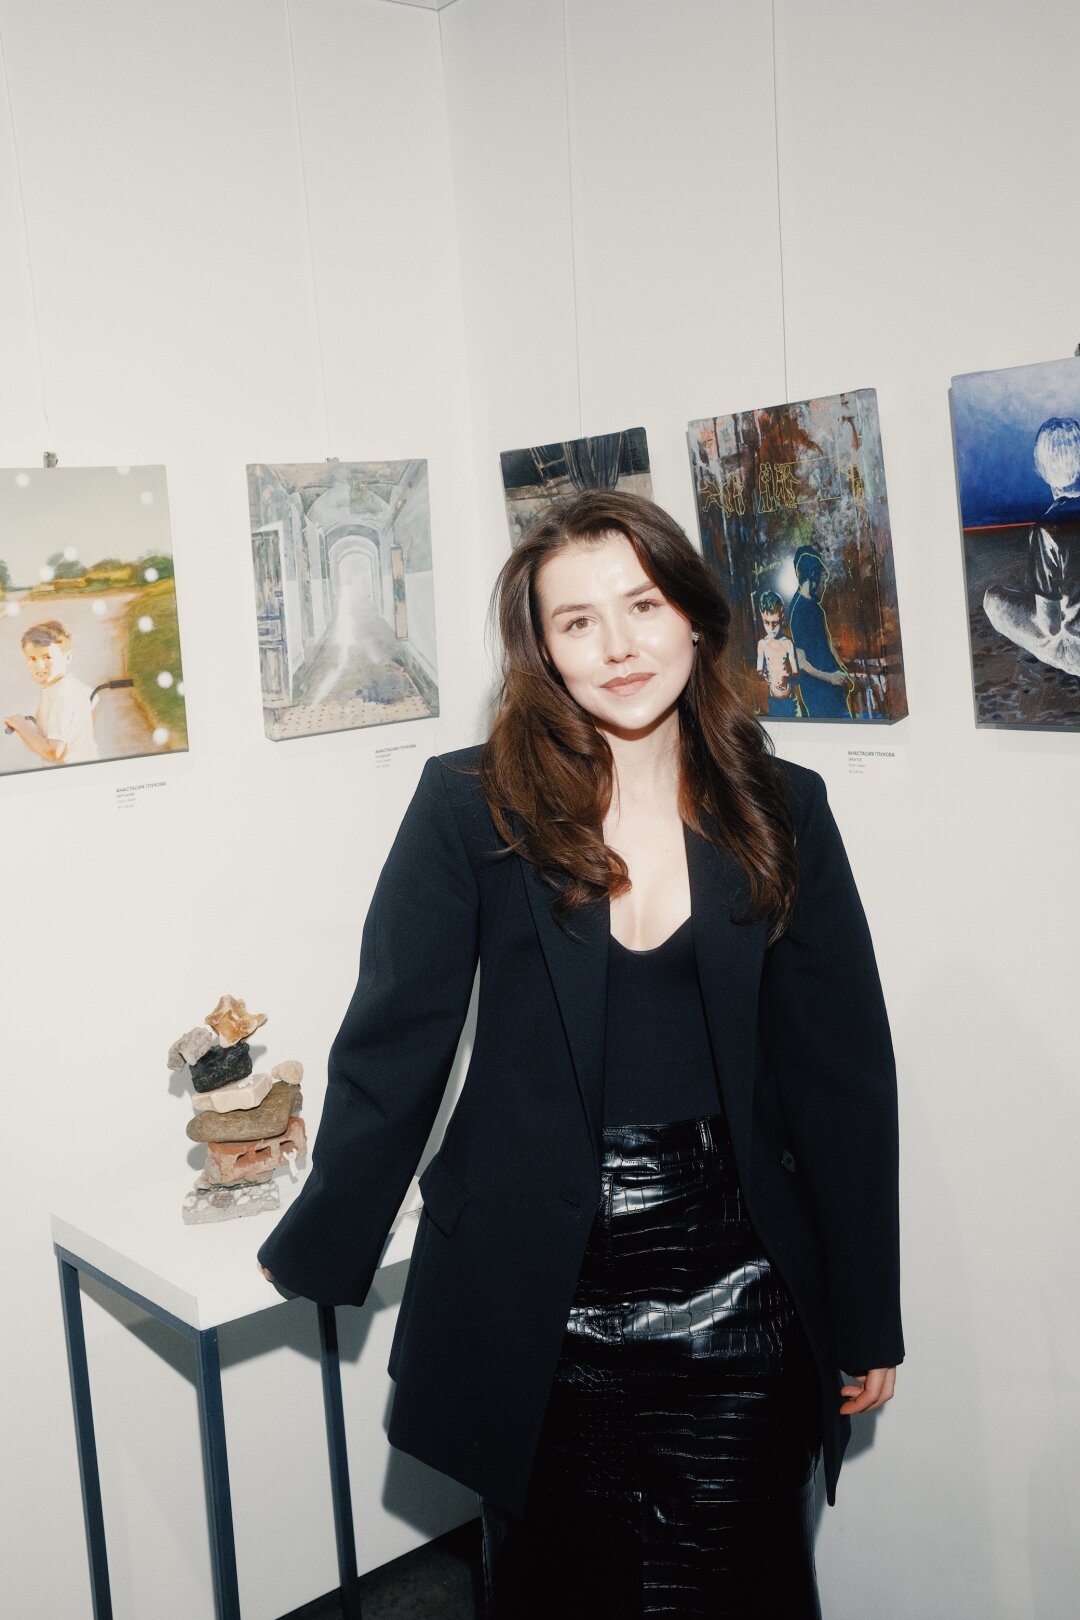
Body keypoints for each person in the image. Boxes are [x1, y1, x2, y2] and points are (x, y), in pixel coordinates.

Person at [258, 491, 902, 1617]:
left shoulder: (783, 806)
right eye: (577, 622)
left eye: (642, 605)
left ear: (692, 615)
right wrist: (324, 1237)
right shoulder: (470, 805)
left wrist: (865, 1309)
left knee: (746, 1586)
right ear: (543, 650)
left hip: (741, 1280)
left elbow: (840, 1072)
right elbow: (396, 1039)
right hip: (534, 1291)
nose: (618, 647)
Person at [983, 415, 1080, 676]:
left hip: (1076, 651)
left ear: (1042, 467)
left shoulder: (1048, 528)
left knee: (993, 600)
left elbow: (1049, 626)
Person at [4, 620, 98, 765]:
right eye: (32, 659)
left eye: (47, 657)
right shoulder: (72, 687)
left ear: (67, 657)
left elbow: (54, 753)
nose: (39, 666)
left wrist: (22, 727)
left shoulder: (61, 696)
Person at [787, 547, 855, 718]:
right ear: (813, 577)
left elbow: (827, 644)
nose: (824, 585)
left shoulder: (815, 608)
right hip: (819, 693)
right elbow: (801, 662)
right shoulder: (799, 611)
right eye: (823, 578)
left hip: (832, 687)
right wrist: (830, 677)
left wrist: (842, 672)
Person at [755, 587, 803, 716]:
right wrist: (762, 674)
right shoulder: (762, 644)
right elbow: (758, 672)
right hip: (774, 703)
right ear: (761, 618)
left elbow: (796, 675)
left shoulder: (788, 643)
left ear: (782, 617)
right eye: (766, 622)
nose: (771, 628)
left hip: (791, 703)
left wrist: (788, 677)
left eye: (775, 623)